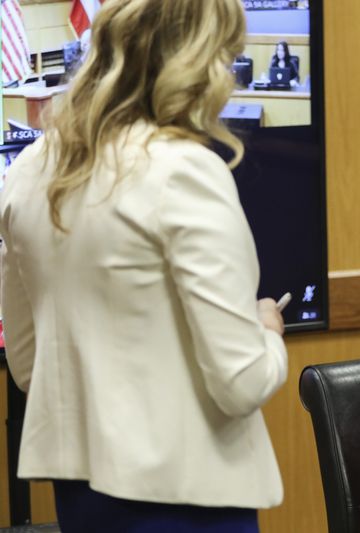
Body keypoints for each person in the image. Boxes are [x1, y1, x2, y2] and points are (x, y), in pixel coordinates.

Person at [0, 1, 288, 532]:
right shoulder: (184, 170)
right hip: (188, 497)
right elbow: (242, 383)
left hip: (82, 498)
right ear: (199, 62)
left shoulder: (29, 169)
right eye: (226, 57)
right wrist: (266, 329)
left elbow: (25, 364)